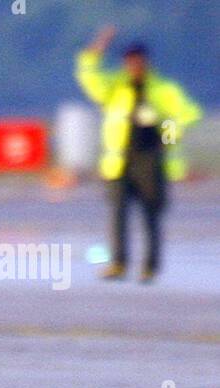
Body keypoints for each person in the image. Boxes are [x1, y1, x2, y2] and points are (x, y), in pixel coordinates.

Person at [75, 26, 202, 283]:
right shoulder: (114, 87)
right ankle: (119, 263)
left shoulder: (163, 89)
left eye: (138, 61)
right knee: (118, 214)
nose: (134, 65)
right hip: (120, 160)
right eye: (130, 61)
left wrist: (166, 137)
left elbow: (188, 114)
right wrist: (98, 47)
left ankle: (149, 267)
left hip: (151, 159)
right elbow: (88, 76)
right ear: (125, 63)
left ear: (146, 62)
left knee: (150, 215)